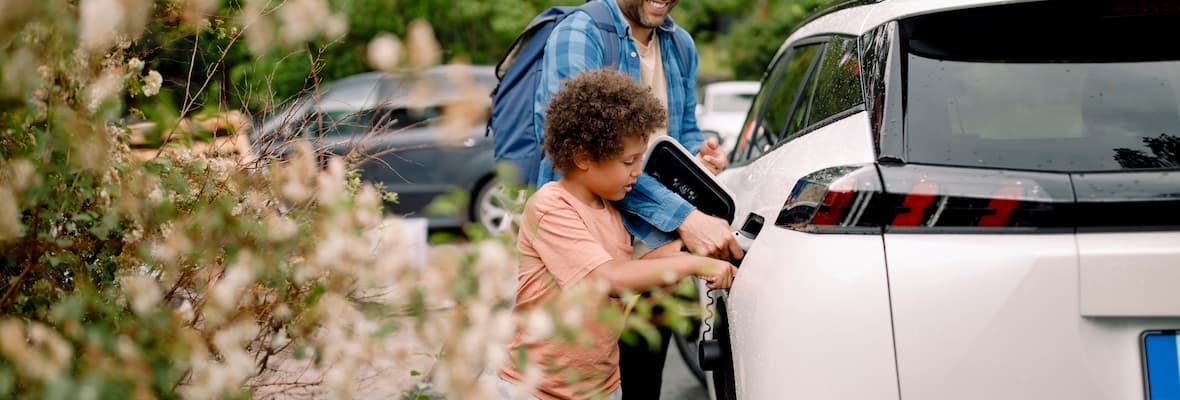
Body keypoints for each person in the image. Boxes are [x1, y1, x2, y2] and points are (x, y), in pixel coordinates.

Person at [533, 1, 743, 397]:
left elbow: (680, 133)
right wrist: (685, 218)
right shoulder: (580, 35)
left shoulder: (680, 45)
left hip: (657, 253)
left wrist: (700, 154)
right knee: (577, 373)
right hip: (595, 247)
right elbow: (585, 155)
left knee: (643, 382)